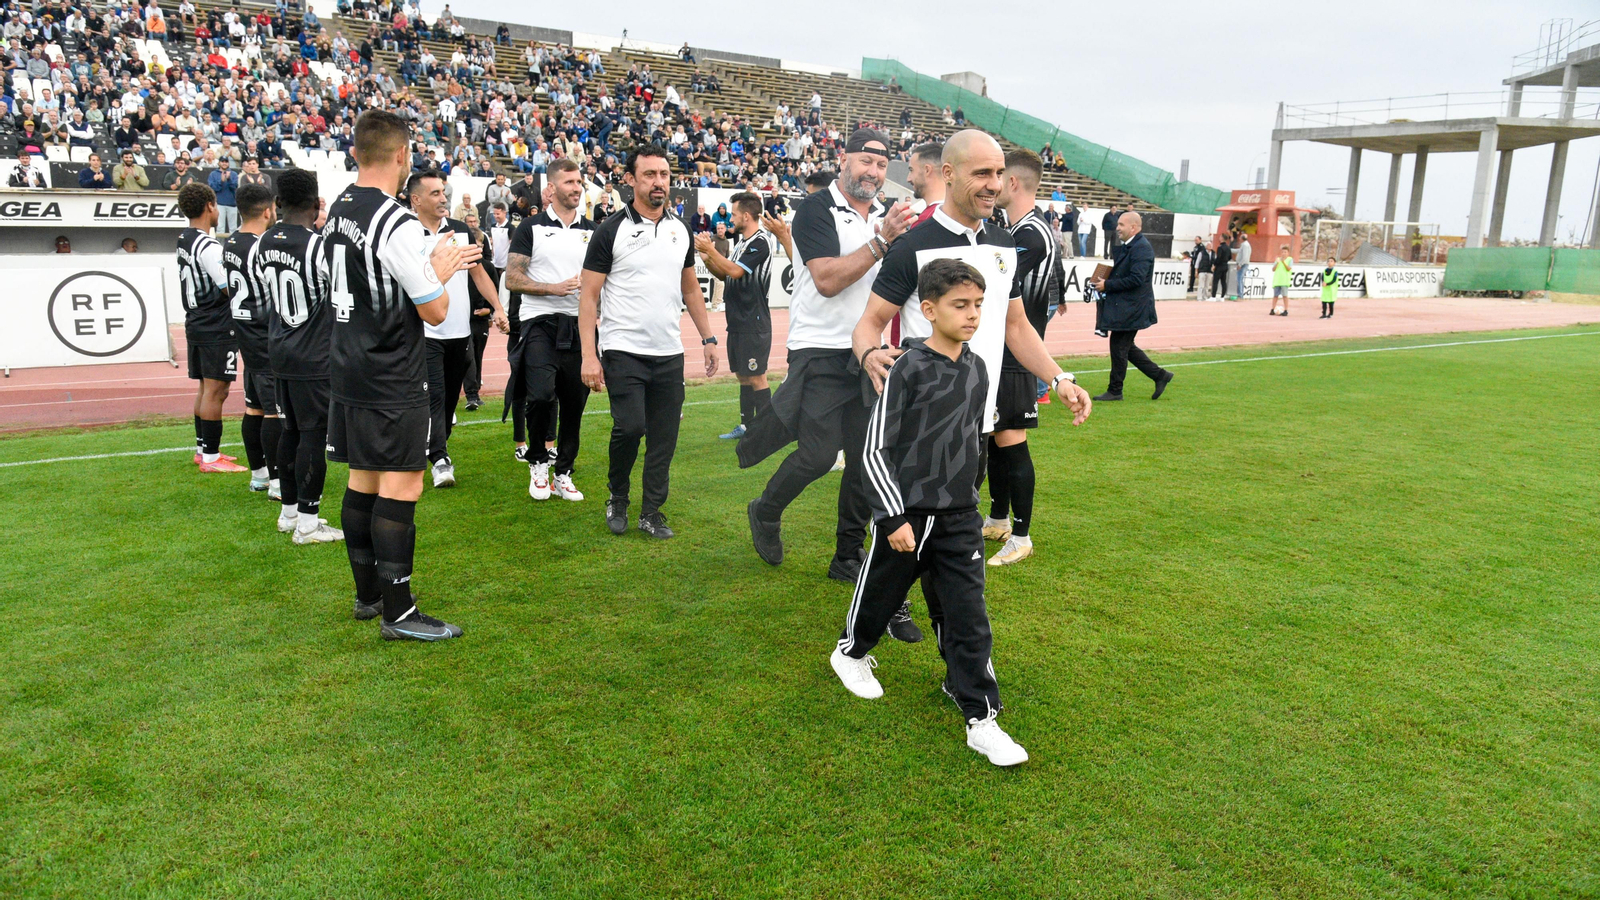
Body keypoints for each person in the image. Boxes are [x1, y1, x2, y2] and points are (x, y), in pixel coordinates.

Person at [853, 134, 1091, 633]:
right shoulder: (912, 246)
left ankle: (953, 647)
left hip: (974, 427)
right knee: (904, 541)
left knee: (949, 546)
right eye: (982, 173)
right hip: (918, 429)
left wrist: (1060, 377)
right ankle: (879, 617)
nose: (994, 184)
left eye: (999, 173)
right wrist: (870, 353)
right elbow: (868, 324)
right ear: (949, 174)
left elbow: (1015, 326)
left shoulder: (1004, 244)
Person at [829, 258, 1029, 768]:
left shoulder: (979, 369)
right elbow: (874, 449)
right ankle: (851, 653)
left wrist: (971, 499)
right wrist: (894, 517)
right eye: (960, 305)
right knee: (880, 596)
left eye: (979, 305)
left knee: (968, 615)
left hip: (960, 516)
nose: (973, 315)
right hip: (907, 514)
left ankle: (980, 717)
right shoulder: (907, 369)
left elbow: (972, 442)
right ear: (928, 309)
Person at [323, 109, 481, 642]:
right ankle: (399, 610)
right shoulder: (393, 221)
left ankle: (368, 595)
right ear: (402, 156)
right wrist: (443, 265)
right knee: (402, 484)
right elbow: (434, 310)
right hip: (391, 368)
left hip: (349, 362)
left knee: (362, 478)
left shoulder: (340, 206)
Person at [737, 128, 917, 583]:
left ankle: (847, 555)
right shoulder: (815, 210)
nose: (873, 172)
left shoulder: (883, 214)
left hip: (868, 352)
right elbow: (827, 280)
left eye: (881, 165)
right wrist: (882, 242)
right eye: (865, 161)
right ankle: (766, 509)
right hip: (819, 349)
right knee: (818, 456)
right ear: (844, 159)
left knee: (863, 461)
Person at [579, 145, 720, 540]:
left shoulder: (680, 229)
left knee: (664, 436)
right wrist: (589, 355)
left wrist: (708, 337)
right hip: (623, 349)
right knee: (631, 427)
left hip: (668, 352)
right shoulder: (611, 230)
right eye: (649, 175)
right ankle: (618, 496)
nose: (659, 182)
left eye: (664, 175)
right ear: (631, 180)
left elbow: (691, 290)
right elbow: (589, 297)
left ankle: (652, 511)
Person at [985, 149, 1067, 567]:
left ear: (1013, 183)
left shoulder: (1030, 235)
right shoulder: (1027, 229)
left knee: (1012, 443)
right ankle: (999, 518)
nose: (994, 184)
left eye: (1000, 176)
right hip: (1004, 352)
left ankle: (1021, 536)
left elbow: (993, 285)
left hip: (1016, 356)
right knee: (998, 440)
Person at [254, 167, 345, 545]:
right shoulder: (317, 245)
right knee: (312, 434)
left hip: (280, 348)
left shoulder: (263, 242)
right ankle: (308, 521)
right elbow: (339, 297)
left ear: (277, 204)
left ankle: (289, 513)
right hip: (313, 354)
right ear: (316, 203)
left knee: (290, 429)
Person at [407, 169, 509, 489]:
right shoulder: (405, 234)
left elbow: (478, 273)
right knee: (436, 395)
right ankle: (440, 458)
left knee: (451, 398)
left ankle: (435, 444)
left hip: (459, 333)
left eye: (443, 192)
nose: (443, 198)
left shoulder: (461, 231)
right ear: (416, 199)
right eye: (435, 193)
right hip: (425, 332)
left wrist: (498, 307)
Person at [505, 157, 596, 503]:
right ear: (552, 188)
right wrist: (552, 288)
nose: (576, 188)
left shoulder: (593, 230)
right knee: (541, 395)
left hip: (579, 326)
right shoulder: (531, 228)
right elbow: (512, 278)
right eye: (570, 182)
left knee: (574, 403)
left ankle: (563, 473)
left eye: (579, 182)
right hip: (539, 323)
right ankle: (538, 463)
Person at [175, 182, 247, 473]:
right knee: (217, 389)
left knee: (206, 387)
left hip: (196, 320)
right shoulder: (207, 244)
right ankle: (210, 457)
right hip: (214, 323)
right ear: (209, 206)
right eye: (215, 205)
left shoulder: (184, 238)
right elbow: (226, 286)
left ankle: (202, 449)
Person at [224, 182, 288, 502]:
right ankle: (277, 483)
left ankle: (259, 476)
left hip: (245, 333)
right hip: (265, 334)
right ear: (267, 210)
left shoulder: (231, 242)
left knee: (254, 408)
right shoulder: (260, 246)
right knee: (275, 412)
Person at [696, 191, 777, 441]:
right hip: (739, 320)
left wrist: (712, 249)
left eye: (733, 213)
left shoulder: (760, 241)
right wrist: (707, 259)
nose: (730, 218)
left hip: (754, 321)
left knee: (756, 375)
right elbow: (725, 274)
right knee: (743, 374)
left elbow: (735, 271)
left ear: (746, 215)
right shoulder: (742, 242)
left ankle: (765, 430)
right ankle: (747, 426)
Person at [1090, 212, 1172, 402]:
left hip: (1133, 308)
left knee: (1119, 347)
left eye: (1121, 224)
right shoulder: (1132, 246)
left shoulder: (1141, 248)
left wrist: (1107, 285)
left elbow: (1137, 279)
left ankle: (1115, 390)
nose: (1117, 228)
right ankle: (1160, 375)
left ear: (1133, 227)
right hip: (1129, 307)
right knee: (1125, 347)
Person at [209, 157, 240, 233]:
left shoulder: (233, 174)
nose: (224, 163)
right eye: (222, 161)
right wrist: (221, 181)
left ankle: (232, 245)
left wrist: (229, 179)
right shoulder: (213, 174)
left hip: (232, 204)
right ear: (219, 163)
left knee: (233, 228)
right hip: (219, 204)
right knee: (220, 228)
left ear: (228, 163)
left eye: (226, 162)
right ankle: (220, 244)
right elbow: (212, 188)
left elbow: (234, 187)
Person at [1270, 244, 1292, 315]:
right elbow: (1273, 269)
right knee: (1275, 296)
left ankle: (1286, 310)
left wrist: (1283, 262)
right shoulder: (1278, 259)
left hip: (1284, 281)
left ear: (1288, 253)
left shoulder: (1290, 259)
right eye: (1282, 252)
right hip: (1277, 280)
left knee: (1285, 296)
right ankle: (1272, 309)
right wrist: (1277, 263)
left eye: (1285, 252)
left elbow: (1288, 268)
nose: (1283, 254)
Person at [1210, 234, 1231, 300]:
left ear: (1222, 238)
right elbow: (1230, 257)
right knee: (1223, 281)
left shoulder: (1220, 247)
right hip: (1225, 266)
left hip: (1219, 266)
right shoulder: (1228, 247)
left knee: (1215, 281)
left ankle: (1213, 296)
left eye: (1220, 237)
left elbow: (1218, 257)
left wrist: (1214, 264)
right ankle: (1223, 296)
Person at [1234, 233, 1253, 300]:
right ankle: (1240, 295)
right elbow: (1239, 251)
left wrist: (1240, 264)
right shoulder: (1245, 245)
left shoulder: (1245, 245)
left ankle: (1240, 295)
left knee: (1239, 279)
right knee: (1240, 279)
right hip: (1243, 264)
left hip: (1243, 264)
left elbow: (1244, 256)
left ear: (1242, 238)